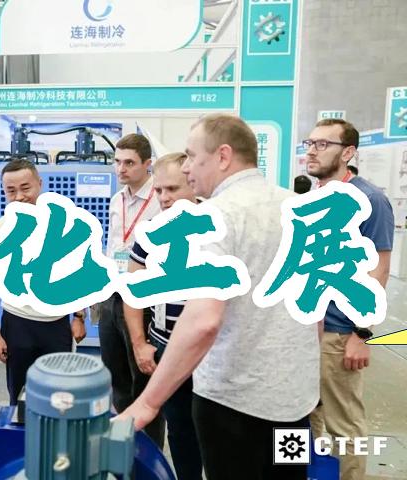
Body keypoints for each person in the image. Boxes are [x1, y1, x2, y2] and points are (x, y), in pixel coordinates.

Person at [119, 114, 320, 480]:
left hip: (234, 406)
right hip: (295, 401)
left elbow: (203, 320)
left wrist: (147, 403)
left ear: (223, 156)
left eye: (192, 156)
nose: (187, 167)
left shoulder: (216, 216)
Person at [305, 119, 394, 480]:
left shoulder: (369, 200)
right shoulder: (313, 199)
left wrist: (361, 332)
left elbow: (379, 270)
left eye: (323, 144)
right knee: (304, 420)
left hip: (340, 334)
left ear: (348, 153)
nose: (312, 151)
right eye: (310, 143)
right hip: (306, 332)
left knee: (344, 427)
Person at [124, 153, 202, 479]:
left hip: (212, 352)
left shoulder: (218, 229)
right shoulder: (151, 232)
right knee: (180, 431)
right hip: (166, 346)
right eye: (159, 190)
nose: (164, 197)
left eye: (172, 189)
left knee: (217, 433)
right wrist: (140, 344)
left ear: (194, 184)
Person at [0, 158, 86, 405]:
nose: (19, 196)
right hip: (17, 324)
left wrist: (79, 316)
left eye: (25, 188)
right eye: (11, 191)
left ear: (39, 183)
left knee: (59, 397)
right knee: (19, 397)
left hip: (56, 326)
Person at [99, 133, 164, 445]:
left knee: (145, 380)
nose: (121, 169)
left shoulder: (160, 200)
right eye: (117, 162)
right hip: (113, 297)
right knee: (116, 376)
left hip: (143, 301)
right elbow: (114, 246)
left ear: (147, 164)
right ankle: (124, 444)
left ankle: (149, 450)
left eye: (129, 163)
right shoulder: (117, 200)